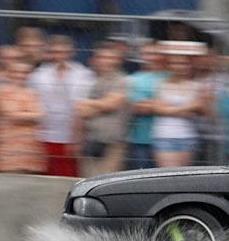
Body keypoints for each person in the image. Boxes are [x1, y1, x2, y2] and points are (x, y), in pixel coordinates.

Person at [29, 35, 94, 177]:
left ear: (71, 52)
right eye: (56, 52)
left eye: (63, 52)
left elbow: (81, 106)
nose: (59, 56)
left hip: (71, 134)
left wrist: (76, 139)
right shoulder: (39, 75)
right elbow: (33, 100)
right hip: (44, 134)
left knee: (68, 174)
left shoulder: (83, 74)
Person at [75, 46, 129, 177]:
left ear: (117, 60)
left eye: (110, 57)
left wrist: (89, 103)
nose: (106, 61)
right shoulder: (89, 79)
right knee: (86, 182)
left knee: (106, 183)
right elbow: (81, 112)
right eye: (102, 57)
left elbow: (111, 105)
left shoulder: (122, 80)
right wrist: (102, 105)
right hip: (90, 141)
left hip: (112, 143)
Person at [0, 60, 46, 174]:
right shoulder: (1, 92)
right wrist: (31, 115)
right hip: (9, 146)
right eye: (16, 72)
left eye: (24, 72)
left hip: (31, 146)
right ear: (8, 73)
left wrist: (24, 115)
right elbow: (11, 115)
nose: (20, 75)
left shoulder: (32, 93)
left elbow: (41, 115)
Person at [152, 53, 202, 167]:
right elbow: (158, 109)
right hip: (165, 137)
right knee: (167, 177)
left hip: (187, 137)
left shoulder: (195, 86)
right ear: (169, 66)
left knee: (183, 179)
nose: (179, 66)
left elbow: (199, 108)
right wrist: (186, 108)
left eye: (183, 63)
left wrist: (169, 109)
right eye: (175, 63)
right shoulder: (161, 84)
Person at [126, 41, 167, 169]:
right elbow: (137, 108)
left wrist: (151, 104)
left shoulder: (171, 76)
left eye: (155, 53)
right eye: (148, 54)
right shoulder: (133, 79)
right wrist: (160, 105)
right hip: (140, 141)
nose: (152, 57)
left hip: (166, 140)